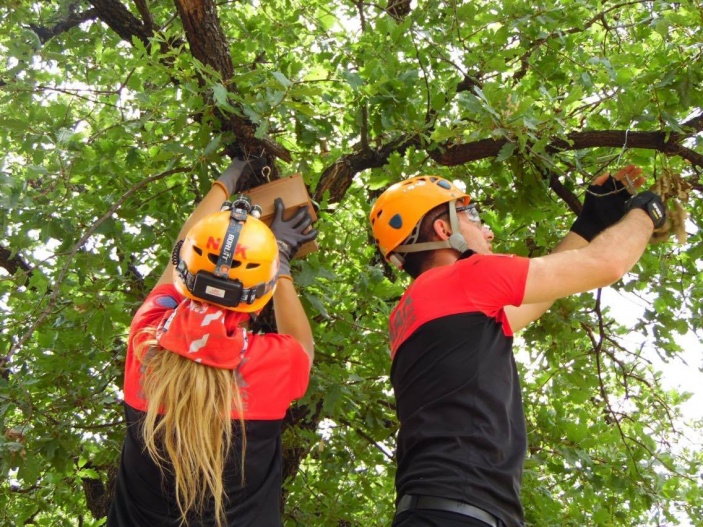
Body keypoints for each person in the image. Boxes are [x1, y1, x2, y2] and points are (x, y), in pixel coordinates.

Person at [368, 167, 666, 527]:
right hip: (460, 511)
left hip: (441, 509)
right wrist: (647, 212)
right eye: (473, 216)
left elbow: (537, 300)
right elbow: (607, 264)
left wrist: (590, 224)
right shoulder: (469, 275)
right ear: (444, 230)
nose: (487, 230)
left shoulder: (412, 310)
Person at [108, 157, 318, 527]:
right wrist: (281, 262)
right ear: (260, 297)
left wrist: (225, 181)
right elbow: (303, 347)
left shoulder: (147, 342)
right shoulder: (270, 363)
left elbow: (181, 248)